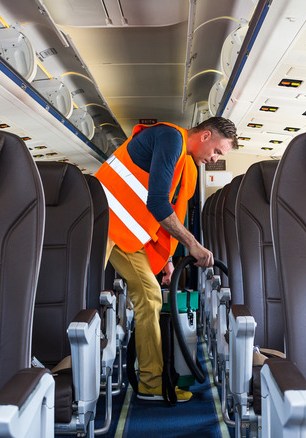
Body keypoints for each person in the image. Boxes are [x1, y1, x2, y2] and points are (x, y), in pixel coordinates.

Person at [95, 116, 238, 402]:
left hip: (127, 233)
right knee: (139, 297)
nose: (215, 158)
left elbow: (168, 212)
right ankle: (148, 381)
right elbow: (157, 203)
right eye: (218, 151)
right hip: (102, 223)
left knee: (151, 298)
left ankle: (151, 380)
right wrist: (193, 245)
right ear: (205, 136)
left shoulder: (186, 164)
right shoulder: (171, 138)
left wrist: (169, 259)